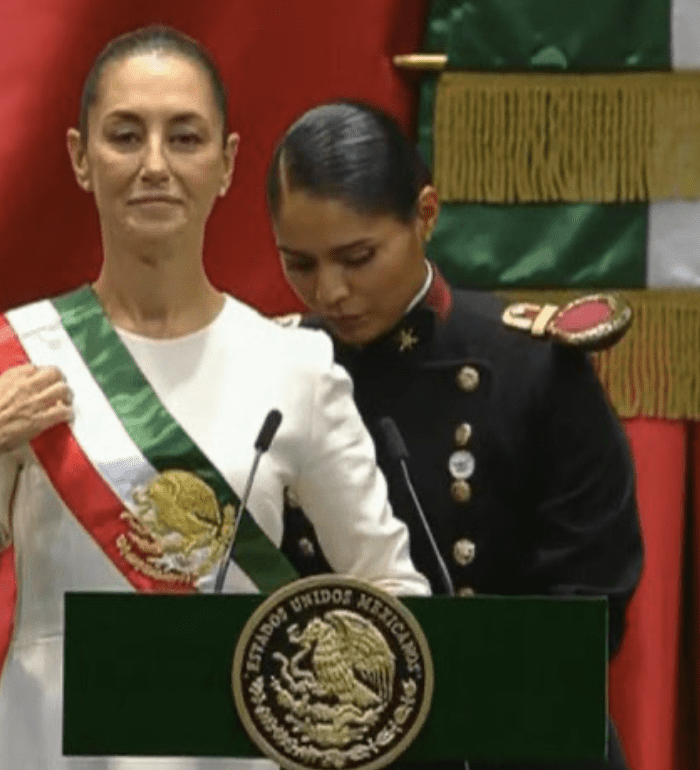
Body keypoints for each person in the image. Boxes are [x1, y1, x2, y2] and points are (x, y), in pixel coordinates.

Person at [0, 30, 429, 770]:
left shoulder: (295, 368)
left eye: (185, 137)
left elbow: (394, 594)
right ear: (82, 159)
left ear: (226, 164)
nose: (155, 165)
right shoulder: (11, 360)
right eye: (125, 135)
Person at [267, 100, 644, 770]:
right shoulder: (271, 370)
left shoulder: (530, 365)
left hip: (515, 739)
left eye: (358, 257)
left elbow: (591, 599)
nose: (329, 292)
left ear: (426, 215)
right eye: (299, 264)